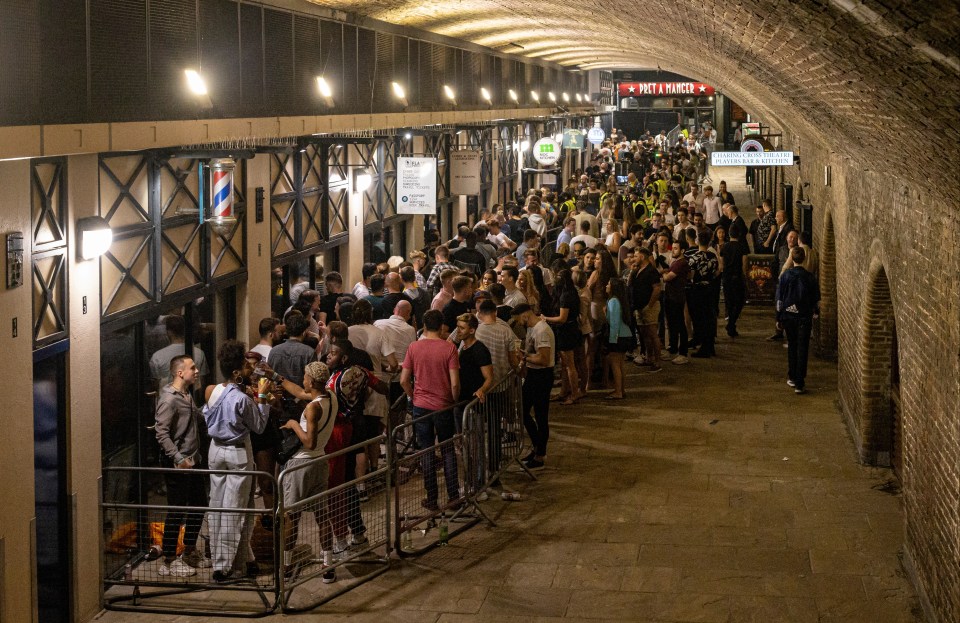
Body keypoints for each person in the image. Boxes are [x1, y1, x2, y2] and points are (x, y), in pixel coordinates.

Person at [203, 340, 271, 582]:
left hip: (215, 450)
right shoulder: (241, 400)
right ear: (236, 372)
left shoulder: (211, 390)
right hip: (238, 452)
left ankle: (246, 557)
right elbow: (259, 426)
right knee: (235, 509)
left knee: (220, 505)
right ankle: (223, 566)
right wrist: (263, 397)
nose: (249, 368)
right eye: (245, 365)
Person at [277, 361, 338, 583]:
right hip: (320, 462)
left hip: (301, 464)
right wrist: (277, 377)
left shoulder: (313, 408)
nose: (303, 380)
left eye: (305, 377)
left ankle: (286, 565)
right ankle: (328, 565)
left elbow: (309, 442)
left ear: (311, 381)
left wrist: (294, 424)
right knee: (322, 516)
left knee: (292, 515)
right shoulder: (330, 397)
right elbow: (301, 393)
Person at [400, 310, 461, 511]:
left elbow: (403, 380)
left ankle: (432, 498)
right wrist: (453, 400)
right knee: (448, 450)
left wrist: (414, 395)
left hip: (421, 407)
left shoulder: (414, 347)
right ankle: (453, 497)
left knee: (426, 451)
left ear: (424, 325)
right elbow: (454, 383)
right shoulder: (449, 348)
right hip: (443, 406)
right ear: (442, 325)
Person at [154, 355, 209, 577]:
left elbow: (196, 417)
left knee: (198, 504)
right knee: (176, 509)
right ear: (179, 373)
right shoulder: (169, 400)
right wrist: (177, 457)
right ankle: (168, 559)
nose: (196, 371)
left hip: (193, 460)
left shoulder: (186, 395)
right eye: (192, 368)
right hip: (180, 463)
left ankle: (189, 550)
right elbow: (161, 432)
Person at [513, 303, 554, 469]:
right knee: (522, 410)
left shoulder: (542, 330)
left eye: (518, 320)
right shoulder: (532, 329)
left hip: (542, 376)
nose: (519, 324)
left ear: (525, 315)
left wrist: (525, 357)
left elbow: (544, 359)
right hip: (533, 374)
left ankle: (540, 454)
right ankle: (538, 446)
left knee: (540, 415)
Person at [776, 247, 820, 394]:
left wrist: (779, 317)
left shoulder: (786, 276)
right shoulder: (810, 277)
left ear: (792, 259)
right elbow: (816, 299)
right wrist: (815, 312)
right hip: (804, 317)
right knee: (803, 348)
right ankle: (800, 383)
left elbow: (780, 300)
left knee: (792, 346)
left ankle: (792, 376)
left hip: (789, 316)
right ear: (804, 259)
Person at [541, 269, 583, 405]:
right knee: (565, 365)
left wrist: (545, 318)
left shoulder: (566, 295)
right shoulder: (570, 292)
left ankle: (574, 394)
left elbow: (562, 318)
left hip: (566, 331)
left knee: (570, 365)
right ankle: (564, 392)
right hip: (568, 330)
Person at [149, 315, 210, 389]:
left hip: (166, 398)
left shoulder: (157, 356)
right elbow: (202, 383)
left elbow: (155, 385)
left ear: (169, 332)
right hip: (191, 399)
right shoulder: (199, 353)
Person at [686, 231, 719, 358]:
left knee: (699, 318)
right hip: (710, 288)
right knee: (709, 318)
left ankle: (704, 347)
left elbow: (691, 275)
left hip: (698, 290)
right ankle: (710, 346)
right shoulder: (712, 256)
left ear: (698, 240)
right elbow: (717, 271)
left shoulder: (694, 257)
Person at [630, 248, 663, 371]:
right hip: (640, 307)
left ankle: (658, 361)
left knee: (653, 334)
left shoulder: (651, 271)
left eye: (636, 256)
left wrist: (649, 305)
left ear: (642, 257)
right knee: (645, 334)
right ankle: (649, 357)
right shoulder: (638, 270)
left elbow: (657, 288)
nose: (634, 258)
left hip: (649, 307)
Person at [605, 278, 634, 399]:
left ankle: (618, 391)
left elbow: (614, 322)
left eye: (608, 284)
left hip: (618, 337)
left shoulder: (613, 301)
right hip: (625, 335)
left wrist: (612, 340)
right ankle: (621, 389)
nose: (606, 286)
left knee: (615, 364)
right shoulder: (620, 301)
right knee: (620, 364)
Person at [721, 224, 748, 337]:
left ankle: (731, 326)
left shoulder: (724, 247)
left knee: (730, 302)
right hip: (737, 277)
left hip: (726, 277)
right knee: (739, 301)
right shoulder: (742, 247)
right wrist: (744, 276)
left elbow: (722, 264)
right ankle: (731, 324)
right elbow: (744, 264)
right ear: (739, 234)